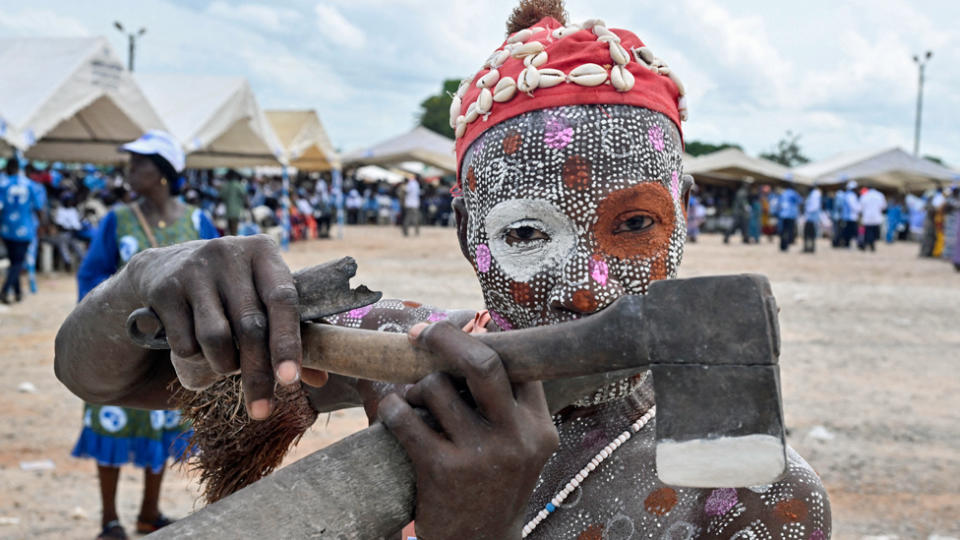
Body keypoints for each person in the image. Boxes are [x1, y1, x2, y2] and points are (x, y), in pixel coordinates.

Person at [54, 4, 830, 539]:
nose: (588, 281)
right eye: (526, 230)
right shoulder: (408, 358)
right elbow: (105, 379)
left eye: (634, 225)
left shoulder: (756, 492)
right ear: (466, 233)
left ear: (683, 216)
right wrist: (152, 274)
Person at [69, 131, 218, 540]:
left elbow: (213, 275)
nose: (131, 171)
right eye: (131, 163)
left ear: (165, 173)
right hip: (120, 347)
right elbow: (91, 275)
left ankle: (149, 514)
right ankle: (109, 520)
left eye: (141, 164)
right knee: (112, 418)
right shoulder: (117, 221)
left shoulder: (197, 222)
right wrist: (106, 318)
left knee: (163, 420)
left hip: (174, 351)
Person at [1, 156, 45, 304]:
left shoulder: (3, 185)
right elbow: (39, 208)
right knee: (17, 263)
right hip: (25, 229)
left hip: (7, 228)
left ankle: (18, 293)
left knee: (14, 261)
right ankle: (5, 290)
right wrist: (42, 226)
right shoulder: (30, 185)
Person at [774, 182, 801, 252]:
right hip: (791, 215)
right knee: (789, 231)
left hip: (783, 214)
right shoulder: (794, 193)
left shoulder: (783, 193)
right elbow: (800, 201)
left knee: (783, 230)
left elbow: (779, 204)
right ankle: (787, 245)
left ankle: (782, 246)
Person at [858, 187, 886, 252]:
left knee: (868, 232)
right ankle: (871, 245)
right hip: (876, 217)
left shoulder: (865, 195)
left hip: (867, 217)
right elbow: (884, 206)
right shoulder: (880, 195)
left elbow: (860, 207)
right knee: (874, 232)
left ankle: (867, 244)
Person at [221, 170, 247, 236]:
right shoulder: (238, 185)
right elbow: (244, 196)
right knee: (234, 231)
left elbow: (221, 197)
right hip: (236, 212)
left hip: (228, 211)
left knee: (229, 231)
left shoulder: (226, 185)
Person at [840, 181, 861, 248]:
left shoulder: (847, 194)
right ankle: (848, 244)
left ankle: (847, 244)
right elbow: (854, 206)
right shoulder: (851, 195)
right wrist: (859, 210)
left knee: (848, 231)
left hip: (848, 216)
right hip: (850, 217)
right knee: (851, 231)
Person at [802, 185, 822, 253]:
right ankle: (808, 248)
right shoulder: (813, 194)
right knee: (808, 234)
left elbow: (814, 206)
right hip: (809, 218)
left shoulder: (815, 194)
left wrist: (808, 210)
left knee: (809, 234)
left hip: (811, 218)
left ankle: (809, 248)